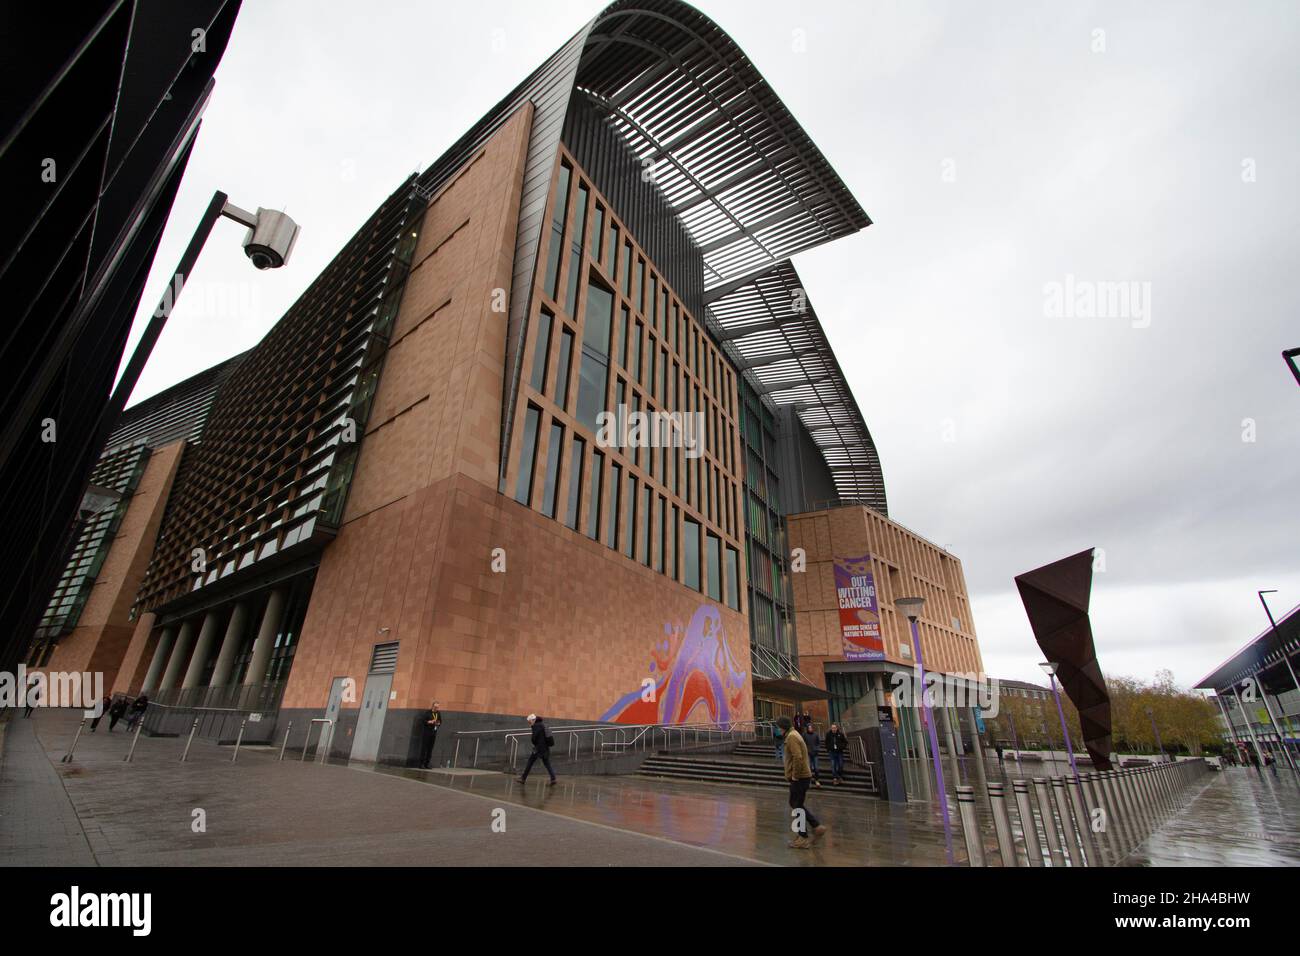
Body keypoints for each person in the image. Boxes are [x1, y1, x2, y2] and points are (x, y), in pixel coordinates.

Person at [779, 715, 825, 849]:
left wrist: (795, 775)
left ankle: (804, 836)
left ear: (783, 727)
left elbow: (798, 757)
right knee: (797, 804)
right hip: (803, 777)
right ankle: (814, 828)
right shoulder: (794, 734)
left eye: (778, 727)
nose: (777, 730)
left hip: (800, 777)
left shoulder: (792, 737)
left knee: (796, 804)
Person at [518, 713, 557, 786]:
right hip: (545, 748)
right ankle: (553, 778)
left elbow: (534, 739)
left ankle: (523, 778)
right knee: (547, 763)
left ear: (533, 720)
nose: (529, 724)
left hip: (538, 748)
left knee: (530, 762)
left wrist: (534, 741)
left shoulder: (536, 726)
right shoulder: (543, 725)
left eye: (529, 722)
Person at [419, 700, 442, 768]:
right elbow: (423, 721)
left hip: (433, 732)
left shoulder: (438, 713)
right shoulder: (427, 712)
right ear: (432, 706)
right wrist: (429, 722)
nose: (436, 708)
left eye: (437, 707)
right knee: (424, 748)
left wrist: (438, 723)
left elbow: (440, 721)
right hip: (427, 732)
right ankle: (421, 764)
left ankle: (427, 764)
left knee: (430, 749)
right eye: (435, 707)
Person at [804, 722, 823, 787]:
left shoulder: (816, 734)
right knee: (809, 768)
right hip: (808, 753)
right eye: (809, 728)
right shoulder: (805, 735)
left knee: (816, 768)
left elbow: (818, 743)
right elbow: (803, 743)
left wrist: (817, 749)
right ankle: (809, 781)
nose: (810, 729)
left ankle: (817, 780)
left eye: (811, 728)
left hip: (815, 753)